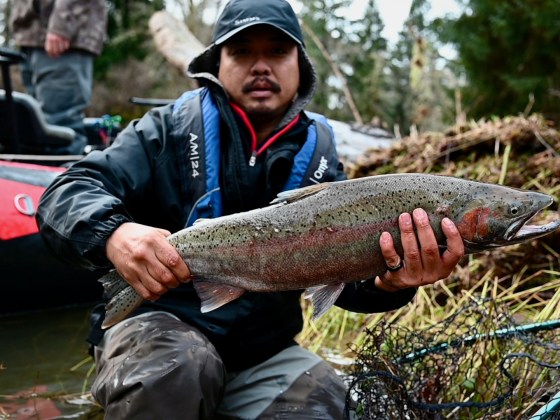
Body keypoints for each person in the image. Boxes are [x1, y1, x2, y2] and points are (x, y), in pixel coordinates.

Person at [36, 0, 465, 418]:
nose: (261, 66)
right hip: (159, 329)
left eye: (277, 51)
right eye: (242, 52)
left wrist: (388, 284)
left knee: (331, 404)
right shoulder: (163, 131)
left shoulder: (321, 157)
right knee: (179, 369)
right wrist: (114, 236)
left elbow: (342, 283)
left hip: (263, 350)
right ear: (216, 63)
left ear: (300, 65)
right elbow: (66, 190)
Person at [9, 0, 108, 154]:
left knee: (61, 128)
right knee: (36, 130)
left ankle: (67, 176)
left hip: (64, 35)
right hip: (33, 34)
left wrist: (63, 25)